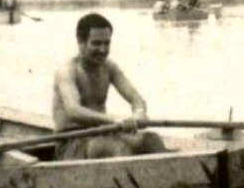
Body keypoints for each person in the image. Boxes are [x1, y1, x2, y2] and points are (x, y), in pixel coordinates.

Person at [52, 13, 167, 159]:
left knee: (151, 139)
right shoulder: (67, 71)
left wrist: (138, 114)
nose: (103, 49)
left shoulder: (109, 67)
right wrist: (114, 121)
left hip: (101, 134)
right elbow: (74, 111)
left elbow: (136, 99)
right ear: (80, 42)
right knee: (116, 148)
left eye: (107, 43)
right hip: (71, 141)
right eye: (96, 43)